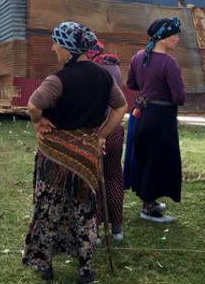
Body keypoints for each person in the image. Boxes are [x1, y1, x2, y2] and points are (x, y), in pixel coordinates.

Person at [23, 22, 127, 283]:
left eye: (56, 43)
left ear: (68, 48)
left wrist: (38, 121)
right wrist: (101, 135)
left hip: (55, 159)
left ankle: (45, 264)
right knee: (85, 210)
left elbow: (33, 105)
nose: (53, 48)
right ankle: (85, 268)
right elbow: (120, 107)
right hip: (87, 158)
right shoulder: (103, 76)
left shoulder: (58, 80)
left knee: (49, 207)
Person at [122, 17, 186, 223]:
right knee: (158, 160)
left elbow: (131, 84)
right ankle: (148, 208)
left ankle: (149, 200)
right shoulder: (169, 63)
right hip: (161, 118)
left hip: (141, 113)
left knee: (144, 156)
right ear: (163, 38)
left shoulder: (138, 56)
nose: (177, 39)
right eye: (174, 35)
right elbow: (179, 97)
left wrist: (147, 90)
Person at [85, 39, 125, 240]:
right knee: (113, 176)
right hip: (115, 127)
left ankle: (97, 229)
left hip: (96, 128)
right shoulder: (114, 66)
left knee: (93, 178)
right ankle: (117, 228)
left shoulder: (93, 71)